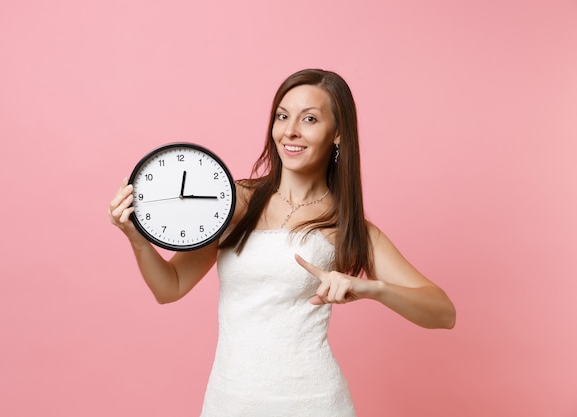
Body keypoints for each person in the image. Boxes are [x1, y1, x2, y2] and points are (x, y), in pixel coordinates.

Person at [108, 68, 456, 417]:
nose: (290, 131)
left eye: (309, 119)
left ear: (337, 134)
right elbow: (171, 286)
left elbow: (443, 312)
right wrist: (136, 238)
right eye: (282, 116)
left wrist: (372, 289)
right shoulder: (235, 200)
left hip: (315, 403)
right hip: (229, 400)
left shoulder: (348, 226)